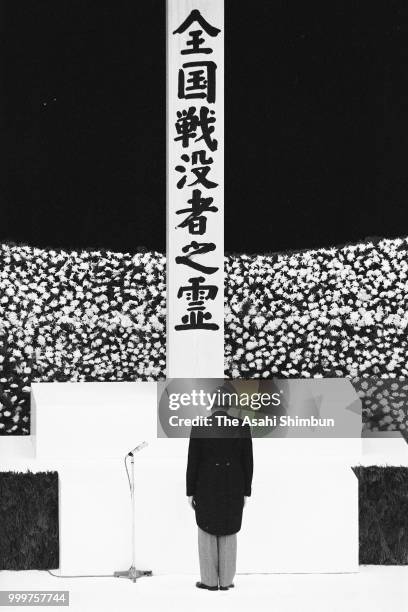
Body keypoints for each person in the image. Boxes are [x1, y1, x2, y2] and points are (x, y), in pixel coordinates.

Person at [186, 406, 253, 591]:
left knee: (206, 528)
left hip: (206, 484)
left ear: (212, 406)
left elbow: (193, 460)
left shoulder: (200, 425)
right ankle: (226, 581)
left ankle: (208, 581)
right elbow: (248, 461)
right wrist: (246, 491)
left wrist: (190, 491)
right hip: (234, 484)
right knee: (229, 529)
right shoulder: (242, 425)